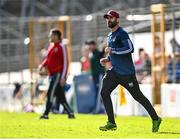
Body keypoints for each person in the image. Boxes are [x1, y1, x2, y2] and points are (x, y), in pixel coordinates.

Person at [99, 10, 161, 132]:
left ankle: (155, 118)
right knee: (104, 93)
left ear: (117, 19)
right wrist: (107, 59)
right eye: (107, 18)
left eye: (111, 18)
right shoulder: (110, 35)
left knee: (138, 97)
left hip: (126, 74)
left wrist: (113, 50)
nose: (108, 20)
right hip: (114, 72)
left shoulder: (122, 33)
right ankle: (111, 122)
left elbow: (130, 48)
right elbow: (114, 54)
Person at [39, 29, 75, 119]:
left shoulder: (62, 46)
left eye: (51, 35)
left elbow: (66, 62)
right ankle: (70, 113)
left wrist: (63, 77)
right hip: (51, 74)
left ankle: (46, 114)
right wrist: (42, 65)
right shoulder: (51, 46)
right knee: (60, 96)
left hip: (57, 75)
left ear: (56, 36)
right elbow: (48, 59)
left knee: (50, 93)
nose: (49, 37)